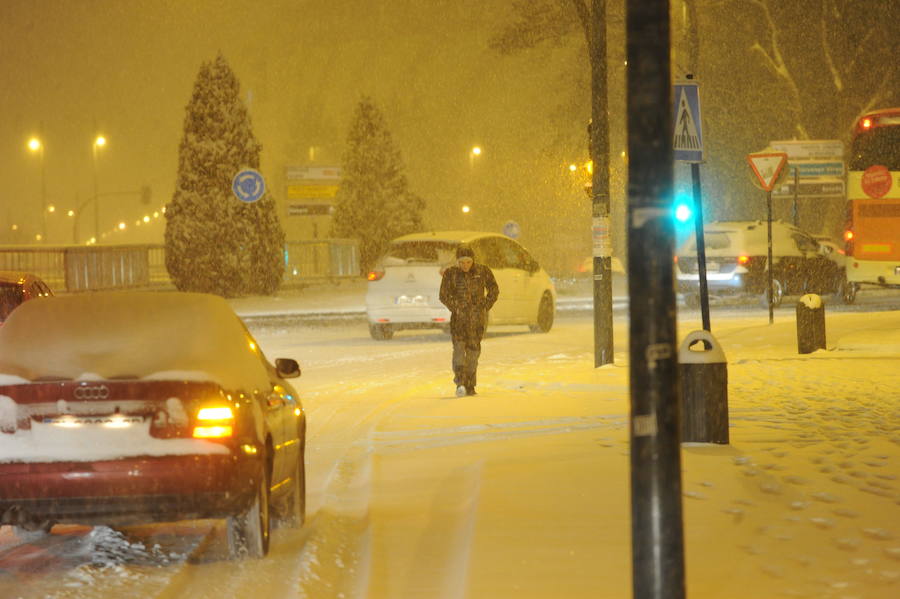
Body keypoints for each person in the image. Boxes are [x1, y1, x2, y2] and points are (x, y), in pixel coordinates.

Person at [439, 245, 499, 396]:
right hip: (458, 321)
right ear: (457, 262)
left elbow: (494, 289)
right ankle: (460, 383)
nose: (465, 265)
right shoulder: (451, 274)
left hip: (477, 321)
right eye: (462, 262)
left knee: (473, 353)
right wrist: (456, 307)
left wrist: (485, 305)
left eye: (468, 262)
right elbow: (443, 295)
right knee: (459, 351)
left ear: (473, 261)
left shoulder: (483, 272)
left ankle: (470, 385)